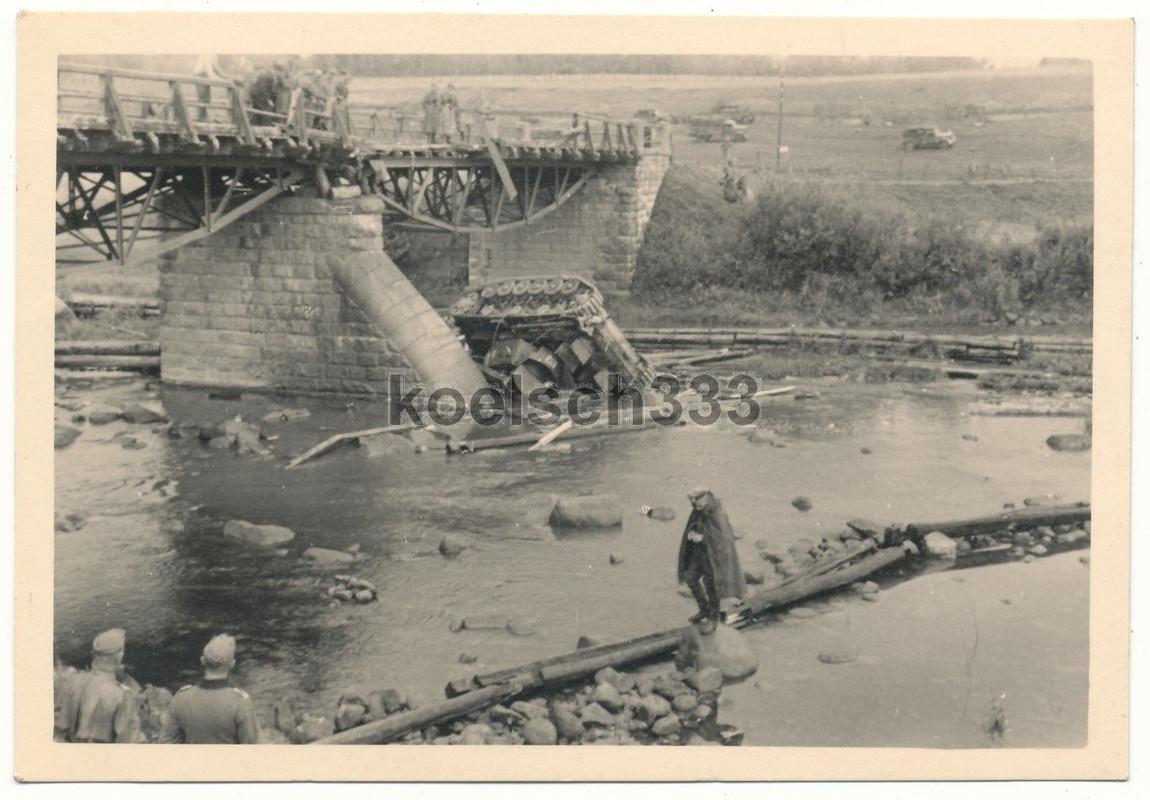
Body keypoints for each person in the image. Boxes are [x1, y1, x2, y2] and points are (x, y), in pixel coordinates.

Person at [159, 634, 260, 744]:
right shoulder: (240, 702)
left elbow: (166, 744)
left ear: (202, 660)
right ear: (232, 664)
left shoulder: (181, 698)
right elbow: (253, 748)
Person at [55, 628, 143, 743]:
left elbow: (57, 729)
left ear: (93, 654)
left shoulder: (73, 681)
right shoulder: (122, 695)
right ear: (119, 656)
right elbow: (128, 743)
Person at [677, 487, 746, 630]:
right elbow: (696, 524)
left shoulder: (717, 512)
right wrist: (693, 533)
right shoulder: (699, 509)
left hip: (713, 556)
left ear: (706, 497)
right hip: (699, 553)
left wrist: (702, 538)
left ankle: (713, 619)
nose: (695, 505)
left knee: (711, 586)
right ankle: (704, 609)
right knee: (690, 578)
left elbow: (723, 538)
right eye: (693, 502)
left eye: (697, 501)